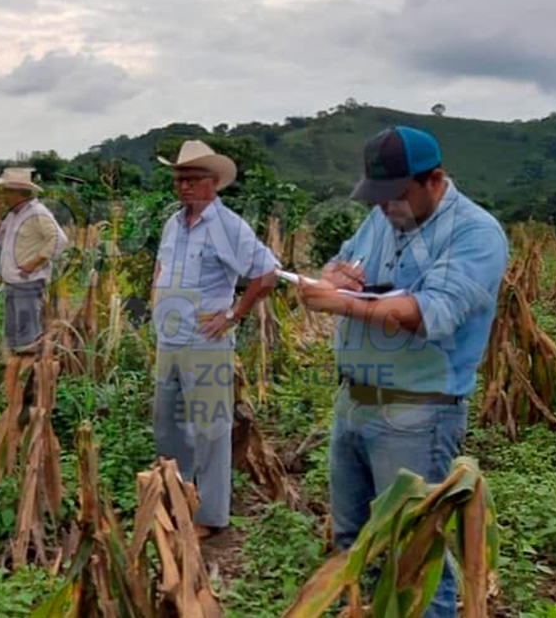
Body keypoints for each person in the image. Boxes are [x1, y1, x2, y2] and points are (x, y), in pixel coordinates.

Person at [297, 126, 508, 618]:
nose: (385, 207)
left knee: (414, 554)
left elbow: (429, 312)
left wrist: (342, 305)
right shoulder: (381, 218)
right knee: (354, 541)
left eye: (395, 196)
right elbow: (342, 261)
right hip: (354, 403)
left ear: (433, 180)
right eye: (377, 196)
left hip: (417, 413)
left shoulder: (475, 234)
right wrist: (333, 276)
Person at [150, 140, 278, 538]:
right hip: (169, 338)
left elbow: (267, 273)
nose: (183, 186)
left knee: (209, 427)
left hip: (204, 341)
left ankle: (209, 515)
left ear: (213, 183)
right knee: (167, 422)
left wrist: (233, 315)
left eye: (191, 179)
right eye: (178, 179)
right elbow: (161, 265)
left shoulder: (228, 227)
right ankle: (178, 493)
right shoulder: (174, 222)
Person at [0, 167, 69, 356]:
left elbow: (60, 240)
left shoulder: (37, 213)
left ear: (18, 193)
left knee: (27, 341)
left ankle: (30, 377)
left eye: (6, 191)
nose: (2, 195)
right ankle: (15, 376)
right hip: (12, 282)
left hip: (27, 283)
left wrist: (33, 263)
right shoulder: (13, 214)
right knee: (13, 338)